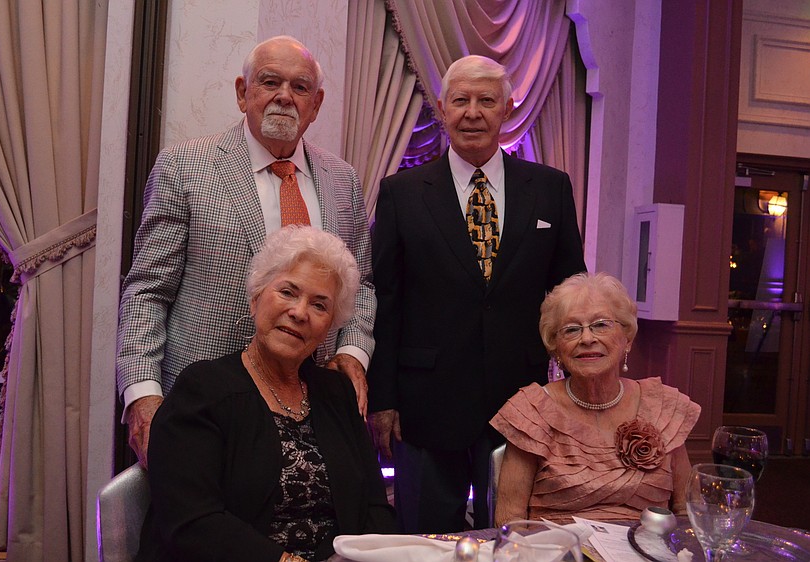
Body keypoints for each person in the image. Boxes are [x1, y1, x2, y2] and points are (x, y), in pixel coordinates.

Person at [116, 36, 375, 469]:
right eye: (269, 82)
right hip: (205, 409)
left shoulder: (343, 180)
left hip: (311, 411)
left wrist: (352, 352)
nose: (284, 97)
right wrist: (142, 395)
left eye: (299, 87)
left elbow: (361, 286)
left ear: (317, 103)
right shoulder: (184, 167)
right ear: (243, 93)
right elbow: (147, 291)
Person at [367, 54, 586, 533]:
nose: (473, 112)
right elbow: (383, 298)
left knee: (511, 534)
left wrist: (575, 387)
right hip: (423, 404)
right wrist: (382, 397)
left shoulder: (550, 190)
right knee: (425, 539)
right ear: (442, 109)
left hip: (521, 401)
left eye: (486, 100)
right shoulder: (401, 193)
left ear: (507, 108)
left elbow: (571, 292)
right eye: (461, 101)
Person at [136, 226, 396, 562]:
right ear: (256, 297)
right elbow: (193, 524)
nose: (300, 313)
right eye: (288, 292)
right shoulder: (201, 391)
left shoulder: (338, 394)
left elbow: (375, 509)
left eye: (319, 305)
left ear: (331, 325)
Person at [491, 272, 701, 525]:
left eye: (601, 325)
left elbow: (687, 513)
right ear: (556, 347)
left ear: (627, 339)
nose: (587, 338)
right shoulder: (532, 411)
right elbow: (510, 521)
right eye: (571, 329)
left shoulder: (663, 407)